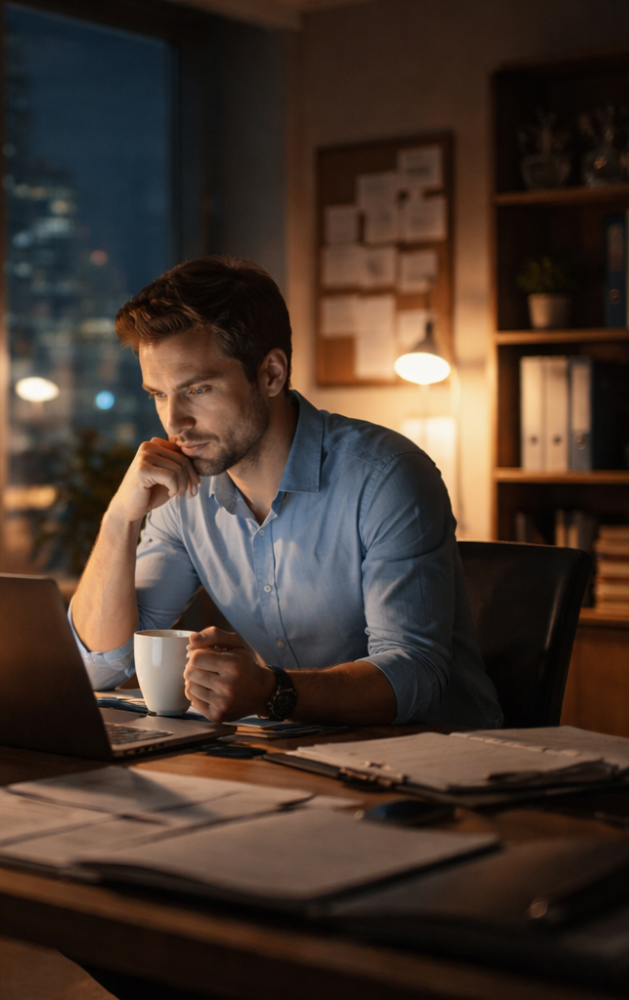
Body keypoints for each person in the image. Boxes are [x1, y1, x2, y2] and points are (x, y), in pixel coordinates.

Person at [69, 256, 502, 730]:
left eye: (198, 389)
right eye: (158, 394)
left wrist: (271, 691)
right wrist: (119, 519)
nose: (174, 422)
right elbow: (103, 665)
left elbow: (414, 675)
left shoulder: (387, 477)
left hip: (437, 766)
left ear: (271, 374)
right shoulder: (185, 492)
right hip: (295, 756)